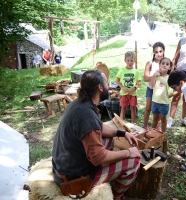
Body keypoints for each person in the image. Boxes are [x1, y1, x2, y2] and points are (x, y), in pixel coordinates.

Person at [52, 70, 140, 200]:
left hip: (65, 167)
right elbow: (98, 157)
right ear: (100, 87)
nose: (108, 86)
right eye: (106, 82)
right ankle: (117, 196)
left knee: (110, 141)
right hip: (74, 179)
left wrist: (122, 132)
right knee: (134, 162)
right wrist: (128, 152)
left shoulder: (81, 103)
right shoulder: (86, 115)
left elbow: (98, 126)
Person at [143, 42, 165, 130]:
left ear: (163, 51)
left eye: (160, 51)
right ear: (153, 52)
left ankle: (157, 127)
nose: (158, 54)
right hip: (150, 89)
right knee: (148, 108)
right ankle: (145, 126)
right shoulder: (150, 63)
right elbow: (145, 78)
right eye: (156, 52)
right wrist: (155, 76)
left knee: (159, 110)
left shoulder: (166, 63)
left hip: (160, 90)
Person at [116, 51, 141, 123]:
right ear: (125, 61)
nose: (130, 62)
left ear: (134, 61)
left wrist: (134, 88)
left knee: (133, 108)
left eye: (132, 60)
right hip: (124, 93)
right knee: (123, 108)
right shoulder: (122, 70)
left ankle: (133, 123)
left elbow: (139, 82)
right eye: (128, 60)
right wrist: (122, 87)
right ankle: (121, 123)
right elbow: (117, 80)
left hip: (133, 94)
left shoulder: (136, 72)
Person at [149, 57, 172, 133]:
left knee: (163, 119)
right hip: (155, 102)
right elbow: (151, 86)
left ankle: (163, 134)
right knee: (155, 118)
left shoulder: (169, 78)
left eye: (167, 64)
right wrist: (154, 76)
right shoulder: (156, 76)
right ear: (159, 65)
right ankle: (153, 132)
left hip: (164, 103)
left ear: (169, 68)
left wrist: (167, 97)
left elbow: (173, 91)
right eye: (163, 63)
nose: (165, 65)